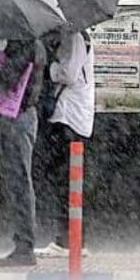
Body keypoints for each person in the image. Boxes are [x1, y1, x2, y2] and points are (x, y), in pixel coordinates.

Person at [0, 37, 46, 267]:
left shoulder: (25, 46)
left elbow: (6, 82)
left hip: (17, 118)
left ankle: (25, 245)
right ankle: (22, 242)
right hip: (16, 117)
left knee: (19, 181)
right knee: (17, 181)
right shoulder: (28, 45)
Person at [35, 28, 96, 258]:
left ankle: (70, 240)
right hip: (73, 116)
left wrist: (49, 67)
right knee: (67, 180)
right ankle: (71, 237)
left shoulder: (74, 37)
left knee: (67, 180)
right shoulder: (76, 36)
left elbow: (68, 74)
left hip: (69, 116)